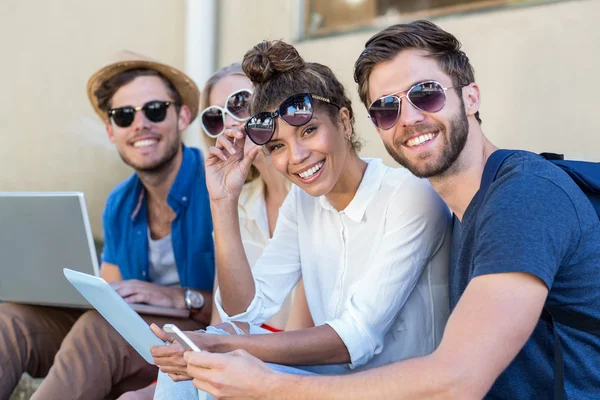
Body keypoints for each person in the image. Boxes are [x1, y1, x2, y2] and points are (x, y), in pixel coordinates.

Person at [182, 20, 600, 399]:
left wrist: (265, 383)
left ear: (471, 96)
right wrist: (223, 201)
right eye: (386, 108)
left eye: (426, 94)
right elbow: (247, 312)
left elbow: (457, 378)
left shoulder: (524, 198)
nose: (409, 119)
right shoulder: (469, 209)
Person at [151, 39, 451, 399]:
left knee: (215, 357)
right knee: (197, 363)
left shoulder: (409, 194)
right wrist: (223, 201)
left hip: (396, 390)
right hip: (331, 383)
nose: (297, 156)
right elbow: (245, 310)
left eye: (309, 131)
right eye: (277, 145)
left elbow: (355, 335)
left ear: (344, 121)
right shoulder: (304, 203)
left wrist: (223, 348)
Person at [0, 51, 216, 400]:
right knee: (10, 321)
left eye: (155, 110)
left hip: (199, 335)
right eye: (124, 115)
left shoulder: (217, 186)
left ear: (183, 117)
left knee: (99, 330)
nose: (140, 124)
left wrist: (176, 298)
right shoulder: (120, 203)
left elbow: (244, 311)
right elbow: (112, 294)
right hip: (133, 335)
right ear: (111, 130)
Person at [197, 62, 312, 332]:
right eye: (215, 117)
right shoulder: (236, 202)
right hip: (247, 351)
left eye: (240, 103)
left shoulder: (315, 194)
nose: (229, 123)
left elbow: (300, 339)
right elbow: (223, 320)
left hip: (296, 358)